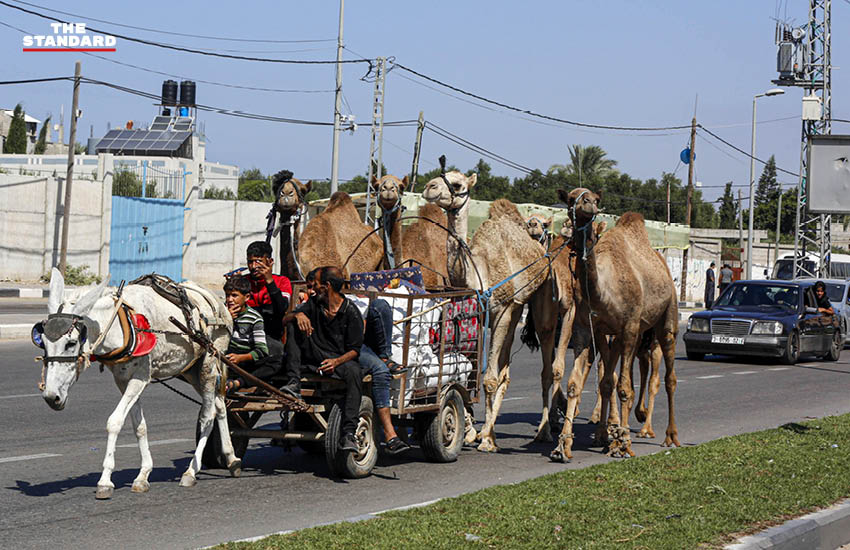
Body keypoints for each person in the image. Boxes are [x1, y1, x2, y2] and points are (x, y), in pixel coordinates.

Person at [282, 266, 365, 452]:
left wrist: (335, 362)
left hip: (338, 361)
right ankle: (293, 384)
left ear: (327, 286)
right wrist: (298, 314)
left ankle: (349, 433)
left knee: (354, 372)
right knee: (294, 326)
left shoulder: (351, 312)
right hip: (314, 357)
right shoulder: (314, 303)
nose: (313, 288)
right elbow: (284, 320)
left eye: (317, 285)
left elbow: (354, 351)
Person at [351, 292, 411, 455]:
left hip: (360, 345)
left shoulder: (345, 304)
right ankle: (389, 432)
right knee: (381, 371)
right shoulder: (318, 305)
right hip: (348, 348)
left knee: (381, 306)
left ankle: (384, 356)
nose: (313, 290)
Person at [241, 241, 301, 390]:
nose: (253, 266)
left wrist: (269, 281)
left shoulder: (282, 281)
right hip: (245, 334)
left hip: (270, 336)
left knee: (277, 353)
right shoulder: (244, 282)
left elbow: (281, 308)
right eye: (250, 262)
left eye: (258, 261)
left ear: (270, 262)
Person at [222, 276, 274, 391]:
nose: (230, 300)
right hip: (225, 357)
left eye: (234, 295)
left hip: (245, 360)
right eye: (227, 295)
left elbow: (262, 350)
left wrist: (241, 358)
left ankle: (238, 382)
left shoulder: (255, 318)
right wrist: (226, 319)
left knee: (274, 362)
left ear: (247, 297)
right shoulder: (221, 312)